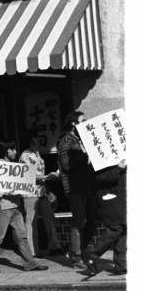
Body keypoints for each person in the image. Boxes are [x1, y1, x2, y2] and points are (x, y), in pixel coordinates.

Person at [0, 141, 48, 273]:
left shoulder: (15, 167)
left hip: (16, 206)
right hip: (5, 207)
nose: (15, 152)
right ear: (5, 151)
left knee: (22, 236)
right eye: (12, 149)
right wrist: (10, 191)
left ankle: (30, 263)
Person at [57, 112, 95, 268]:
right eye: (82, 121)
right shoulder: (66, 141)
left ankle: (84, 251)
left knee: (91, 219)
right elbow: (67, 165)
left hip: (85, 185)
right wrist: (86, 158)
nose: (85, 122)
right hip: (75, 187)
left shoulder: (79, 140)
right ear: (73, 124)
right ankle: (76, 255)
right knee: (79, 221)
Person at [19, 136, 63, 256]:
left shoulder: (37, 154)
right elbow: (29, 174)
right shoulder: (25, 155)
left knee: (49, 217)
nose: (38, 143)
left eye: (38, 141)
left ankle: (54, 246)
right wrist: (47, 177)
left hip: (41, 191)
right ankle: (31, 251)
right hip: (30, 192)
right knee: (31, 222)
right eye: (35, 141)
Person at [83, 160, 126, 275]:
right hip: (111, 200)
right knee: (115, 228)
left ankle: (121, 265)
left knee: (123, 231)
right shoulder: (99, 159)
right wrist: (119, 168)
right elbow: (99, 179)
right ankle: (92, 253)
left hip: (123, 199)